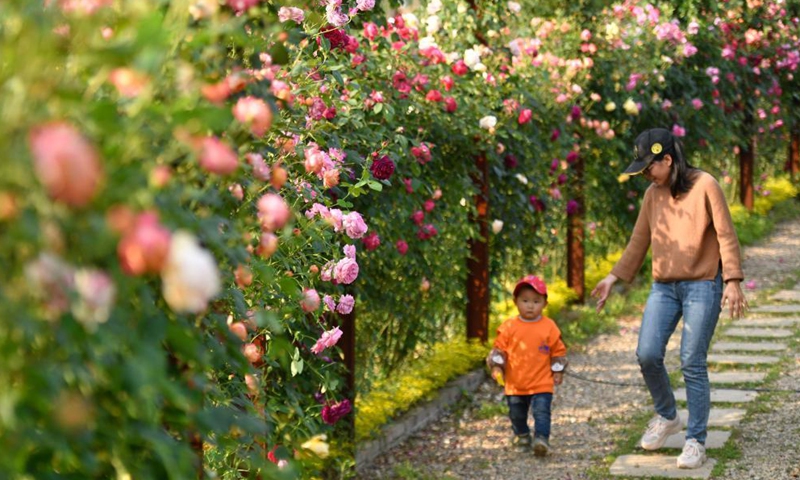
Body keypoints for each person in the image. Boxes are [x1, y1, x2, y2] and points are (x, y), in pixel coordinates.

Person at [590, 128, 747, 469]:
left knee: (691, 359)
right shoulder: (652, 195)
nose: (646, 174)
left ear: (668, 160)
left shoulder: (706, 185)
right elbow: (638, 241)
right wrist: (613, 277)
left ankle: (695, 441)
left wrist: (733, 280)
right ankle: (667, 415)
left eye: (650, 167)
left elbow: (726, 234)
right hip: (664, 287)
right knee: (647, 354)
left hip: (703, 284)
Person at [488, 274, 568, 457]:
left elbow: (558, 351)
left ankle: (541, 439)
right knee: (516, 413)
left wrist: (558, 371)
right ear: (516, 301)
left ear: (544, 304)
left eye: (536, 301)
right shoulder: (508, 327)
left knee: (542, 412)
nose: (530, 305)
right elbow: (499, 350)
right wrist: (497, 366)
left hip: (542, 382)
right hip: (516, 384)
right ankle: (522, 435)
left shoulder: (549, 326)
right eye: (525, 300)